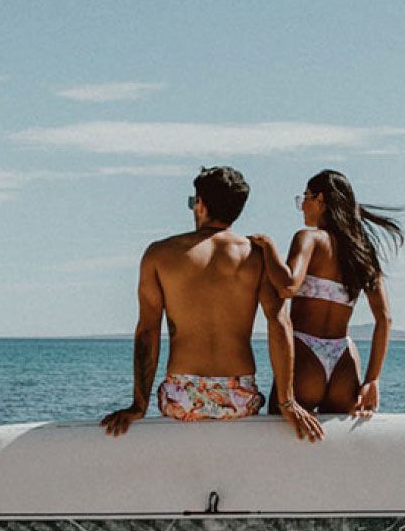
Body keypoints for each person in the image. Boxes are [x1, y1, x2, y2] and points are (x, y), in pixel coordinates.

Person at [101, 167, 323, 441]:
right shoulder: (255, 255)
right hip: (239, 396)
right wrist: (287, 401)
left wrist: (139, 405)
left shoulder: (160, 254)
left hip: (181, 395)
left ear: (201, 204)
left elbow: (148, 331)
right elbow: (279, 324)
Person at [249, 169, 401, 418]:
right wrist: (372, 380)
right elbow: (385, 319)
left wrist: (268, 248)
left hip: (304, 353)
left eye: (305, 197)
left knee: (281, 445)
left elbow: (288, 286)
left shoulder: (309, 239)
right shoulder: (362, 253)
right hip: (343, 361)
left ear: (320, 200)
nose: (302, 206)